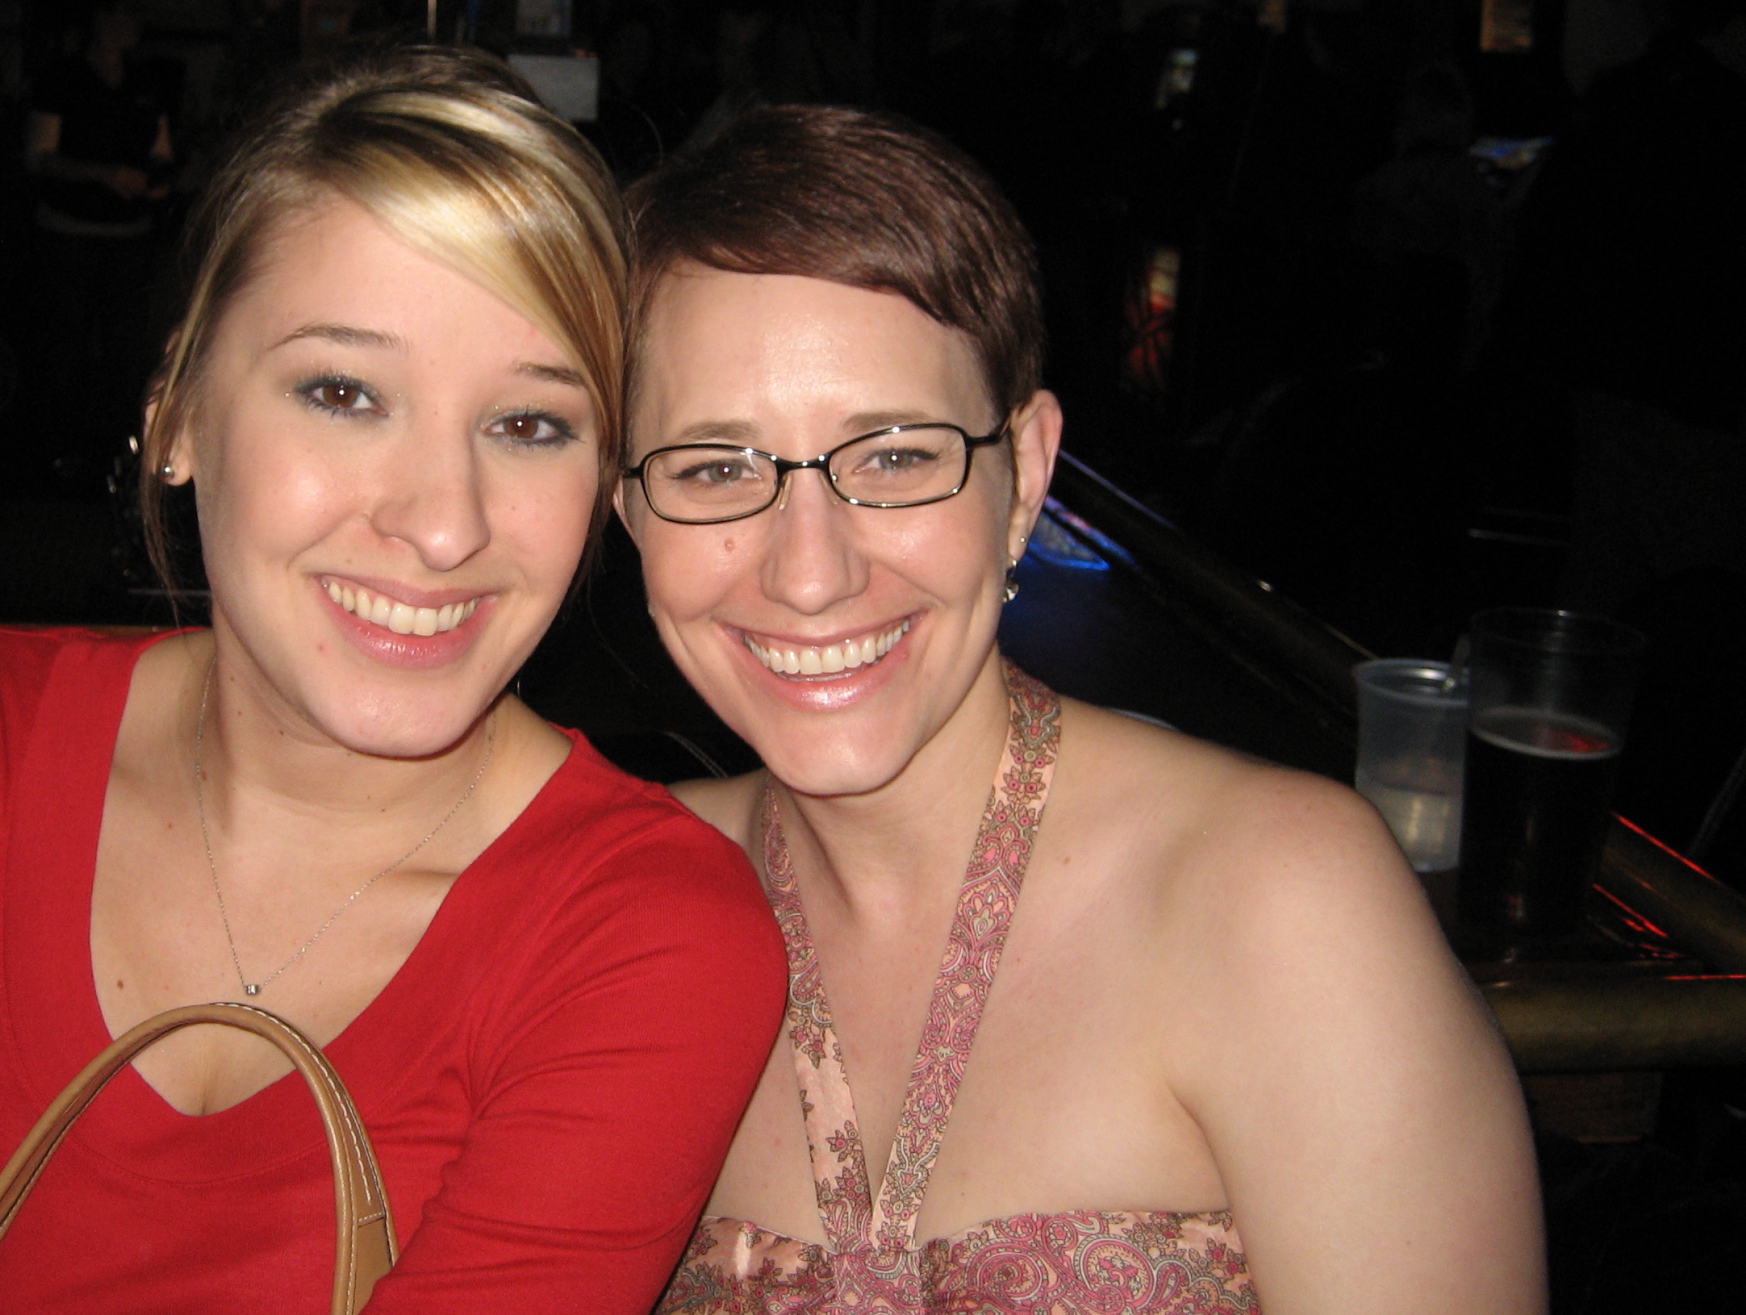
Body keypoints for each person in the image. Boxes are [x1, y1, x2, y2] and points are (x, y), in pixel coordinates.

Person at [0, 47, 786, 1313]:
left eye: (528, 425)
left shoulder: (644, 937)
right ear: (179, 409)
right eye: (343, 393)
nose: (443, 523)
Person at [617, 107, 1544, 1313]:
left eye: (895, 456)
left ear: (1026, 477)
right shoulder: (610, 898)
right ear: (626, 511)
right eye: (715, 467)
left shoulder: (1278, 901)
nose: (808, 574)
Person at [26, 0, 176, 469]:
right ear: (99, 19)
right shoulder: (61, 78)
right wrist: (103, 175)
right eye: (124, 12)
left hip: (129, 234)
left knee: (124, 347)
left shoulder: (146, 80)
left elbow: (161, 148)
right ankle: (55, 449)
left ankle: (117, 451)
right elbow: (39, 155)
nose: (135, 22)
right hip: (70, 232)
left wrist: (157, 180)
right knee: (64, 344)